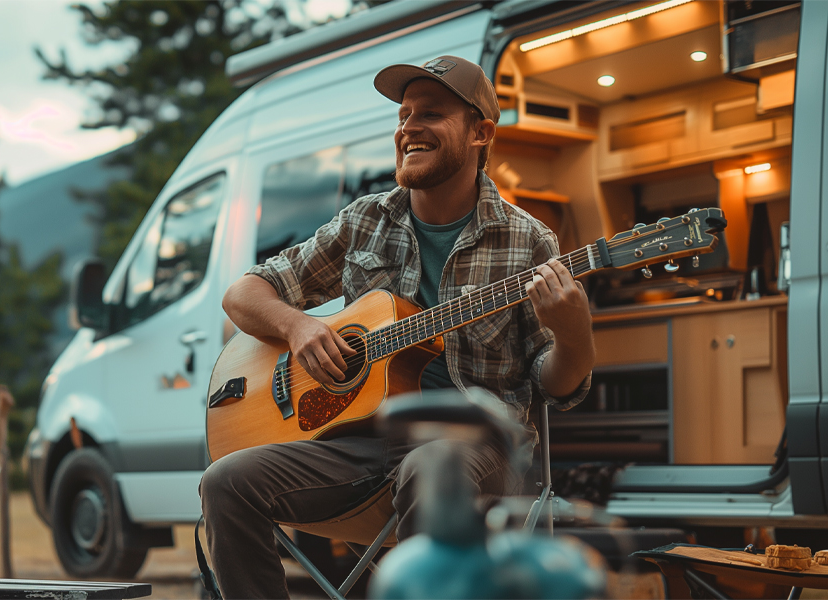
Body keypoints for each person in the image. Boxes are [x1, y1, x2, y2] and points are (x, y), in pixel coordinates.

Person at [198, 55, 596, 599]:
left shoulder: (529, 243)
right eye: (404, 115)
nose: (407, 127)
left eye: (429, 114)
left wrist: (573, 334)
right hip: (360, 443)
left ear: (480, 133)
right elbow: (242, 294)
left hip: (477, 450)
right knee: (226, 481)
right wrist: (297, 329)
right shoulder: (366, 220)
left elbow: (558, 388)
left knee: (431, 465)